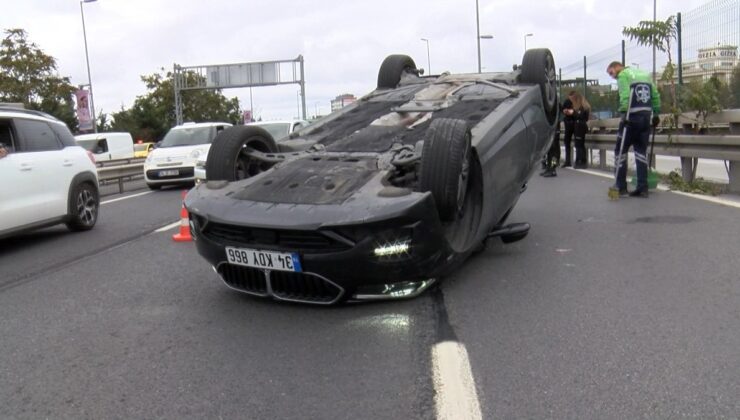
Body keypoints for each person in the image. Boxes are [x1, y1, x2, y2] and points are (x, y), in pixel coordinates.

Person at [606, 61, 661, 197]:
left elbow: (625, 95)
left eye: (611, 73)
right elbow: (655, 95)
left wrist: (624, 113)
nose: (612, 76)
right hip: (645, 118)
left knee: (620, 151)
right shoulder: (644, 75)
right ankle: (643, 187)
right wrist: (656, 113)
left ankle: (620, 186)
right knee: (640, 152)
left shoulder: (623, 75)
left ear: (617, 67)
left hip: (632, 117)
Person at [567, 91, 591, 169]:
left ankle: (580, 161)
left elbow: (580, 116)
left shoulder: (581, 108)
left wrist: (573, 112)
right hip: (580, 127)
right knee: (580, 145)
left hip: (580, 127)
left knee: (579, 145)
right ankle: (581, 161)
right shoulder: (584, 107)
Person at [560, 97, 575, 167]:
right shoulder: (576, 102)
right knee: (577, 143)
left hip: (569, 124)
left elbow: (563, 110)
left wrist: (566, 111)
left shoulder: (568, 101)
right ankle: (578, 160)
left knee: (567, 143)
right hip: (574, 124)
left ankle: (568, 161)